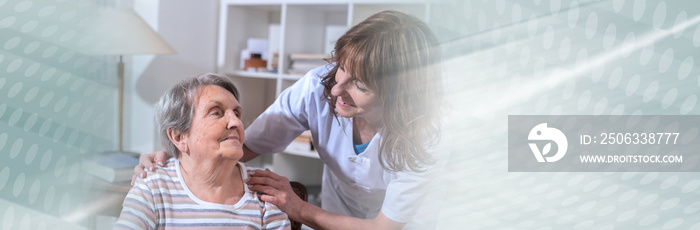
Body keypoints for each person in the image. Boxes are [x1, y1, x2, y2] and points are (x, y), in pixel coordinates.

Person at [134, 10, 449, 229]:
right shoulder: (318, 86)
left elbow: (384, 227)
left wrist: (300, 210)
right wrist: (174, 158)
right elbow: (244, 146)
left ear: (398, 98)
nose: (336, 88)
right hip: (333, 213)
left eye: (360, 85)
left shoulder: (427, 136)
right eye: (342, 68)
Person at [115, 73, 290, 229]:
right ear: (178, 137)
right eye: (216, 113)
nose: (236, 122)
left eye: (236, 113)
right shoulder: (153, 188)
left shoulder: (264, 188)